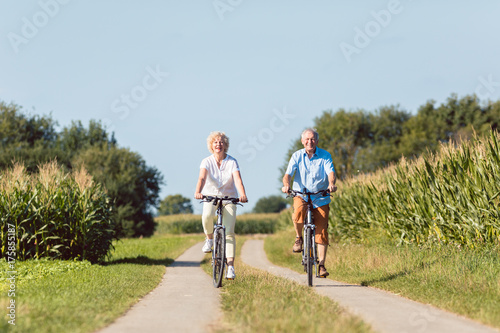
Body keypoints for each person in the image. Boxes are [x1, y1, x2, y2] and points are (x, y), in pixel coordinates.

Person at [281, 128, 337, 278]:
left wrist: (331, 184)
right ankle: (299, 238)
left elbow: (330, 172)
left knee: (322, 230)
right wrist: (287, 185)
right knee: (298, 213)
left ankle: (322, 265)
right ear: (302, 141)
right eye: (307, 139)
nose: (309, 142)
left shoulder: (325, 156)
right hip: (302, 194)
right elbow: (288, 175)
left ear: (317, 141)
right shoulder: (297, 156)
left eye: (312, 139)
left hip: (320, 196)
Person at [194, 131, 248, 280]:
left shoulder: (232, 162)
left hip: (229, 198)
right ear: (211, 145)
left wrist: (242, 194)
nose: (218, 144)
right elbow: (202, 178)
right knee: (207, 215)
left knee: (229, 232)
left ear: (225, 145)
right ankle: (209, 239)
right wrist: (198, 191)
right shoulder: (206, 161)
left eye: (221, 142)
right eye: (215, 142)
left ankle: (230, 267)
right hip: (210, 196)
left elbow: (237, 180)